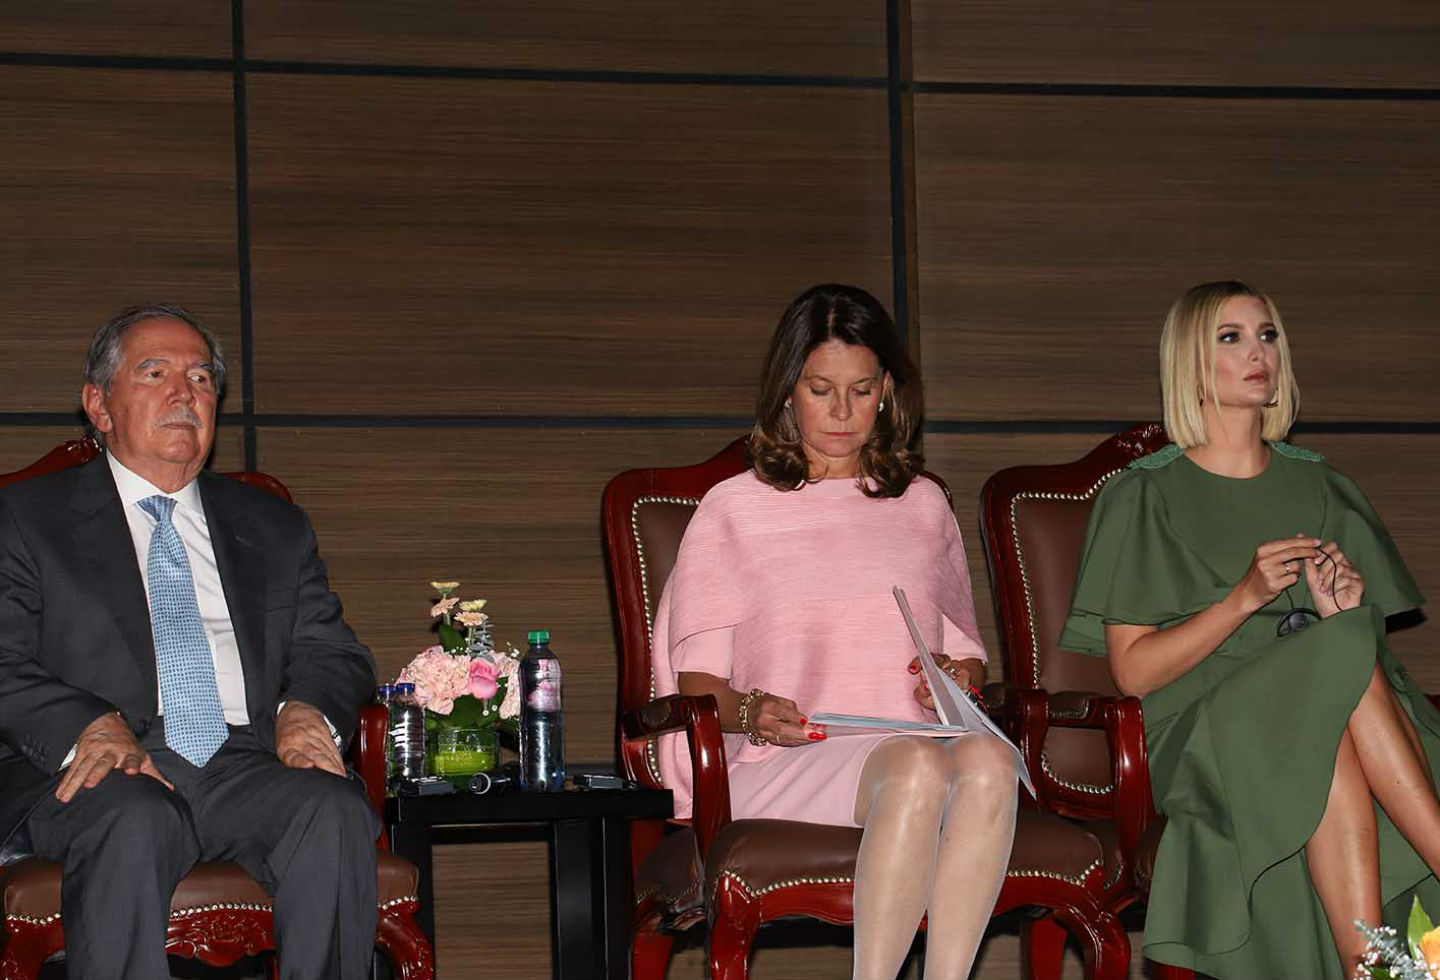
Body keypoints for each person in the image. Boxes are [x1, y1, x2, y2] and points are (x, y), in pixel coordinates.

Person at [1061, 280, 1440, 978]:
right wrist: (1242, 599)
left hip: (1328, 713)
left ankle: (1372, 967)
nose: (1257, 351)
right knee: (1325, 694)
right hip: (1205, 726)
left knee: (1327, 698)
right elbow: (1134, 673)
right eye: (1230, 337)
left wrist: (1340, 611)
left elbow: (1365, 647)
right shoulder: (1142, 494)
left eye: (1266, 334)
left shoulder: (1324, 485)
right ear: (1190, 361)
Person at [650, 284, 1019, 980]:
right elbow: (699, 688)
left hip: (910, 745)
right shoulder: (734, 510)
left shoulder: (923, 505)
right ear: (788, 392)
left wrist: (956, 674)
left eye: (861, 389)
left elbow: (966, 658)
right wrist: (754, 710)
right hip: (782, 761)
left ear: (887, 391)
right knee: (917, 767)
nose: (843, 413)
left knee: (990, 762)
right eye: (822, 389)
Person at [0, 304, 380, 979]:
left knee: (332, 806)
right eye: (155, 374)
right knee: (136, 815)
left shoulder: (273, 526)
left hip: (243, 760)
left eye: (201, 379)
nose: (185, 394)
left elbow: (334, 651)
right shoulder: (28, 519)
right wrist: (87, 722)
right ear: (99, 404)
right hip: (94, 770)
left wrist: (305, 711)